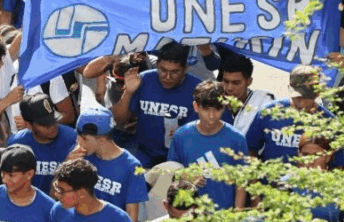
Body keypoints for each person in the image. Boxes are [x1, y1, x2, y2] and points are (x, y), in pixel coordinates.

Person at [112, 42, 201, 169]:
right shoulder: (144, 80)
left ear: (185, 69)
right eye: (163, 70)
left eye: (175, 72)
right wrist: (128, 92)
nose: (168, 77)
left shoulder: (197, 89)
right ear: (157, 64)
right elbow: (118, 119)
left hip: (180, 155)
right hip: (144, 152)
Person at [167, 80, 248, 211]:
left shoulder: (237, 139)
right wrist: (184, 177)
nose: (211, 115)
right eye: (206, 109)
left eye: (217, 109)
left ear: (224, 106)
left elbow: (241, 182)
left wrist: (237, 216)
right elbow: (171, 172)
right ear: (196, 106)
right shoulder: (181, 136)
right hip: (188, 212)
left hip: (222, 215)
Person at [67, 106, 147, 222]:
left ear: (102, 139)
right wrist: (67, 163)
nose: (78, 141)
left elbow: (131, 218)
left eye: (84, 138)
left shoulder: (131, 166)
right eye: (78, 135)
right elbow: (58, 194)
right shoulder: (78, 155)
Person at [246, 65, 335, 162]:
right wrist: (255, 175)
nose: (301, 103)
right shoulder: (269, 112)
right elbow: (249, 148)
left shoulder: (330, 123)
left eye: (307, 97)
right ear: (289, 89)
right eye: (297, 97)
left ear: (318, 93)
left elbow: (337, 165)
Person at [7, 94, 78, 194]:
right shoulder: (16, 145)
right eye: (45, 124)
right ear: (28, 125)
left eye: (54, 120)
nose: (52, 127)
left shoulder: (73, 140)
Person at [218, 54, 275, 137]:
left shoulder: (262, 102)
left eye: (236, 83)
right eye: (226, 81)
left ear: (249, 81)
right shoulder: (213, 102)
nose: (229, 88)